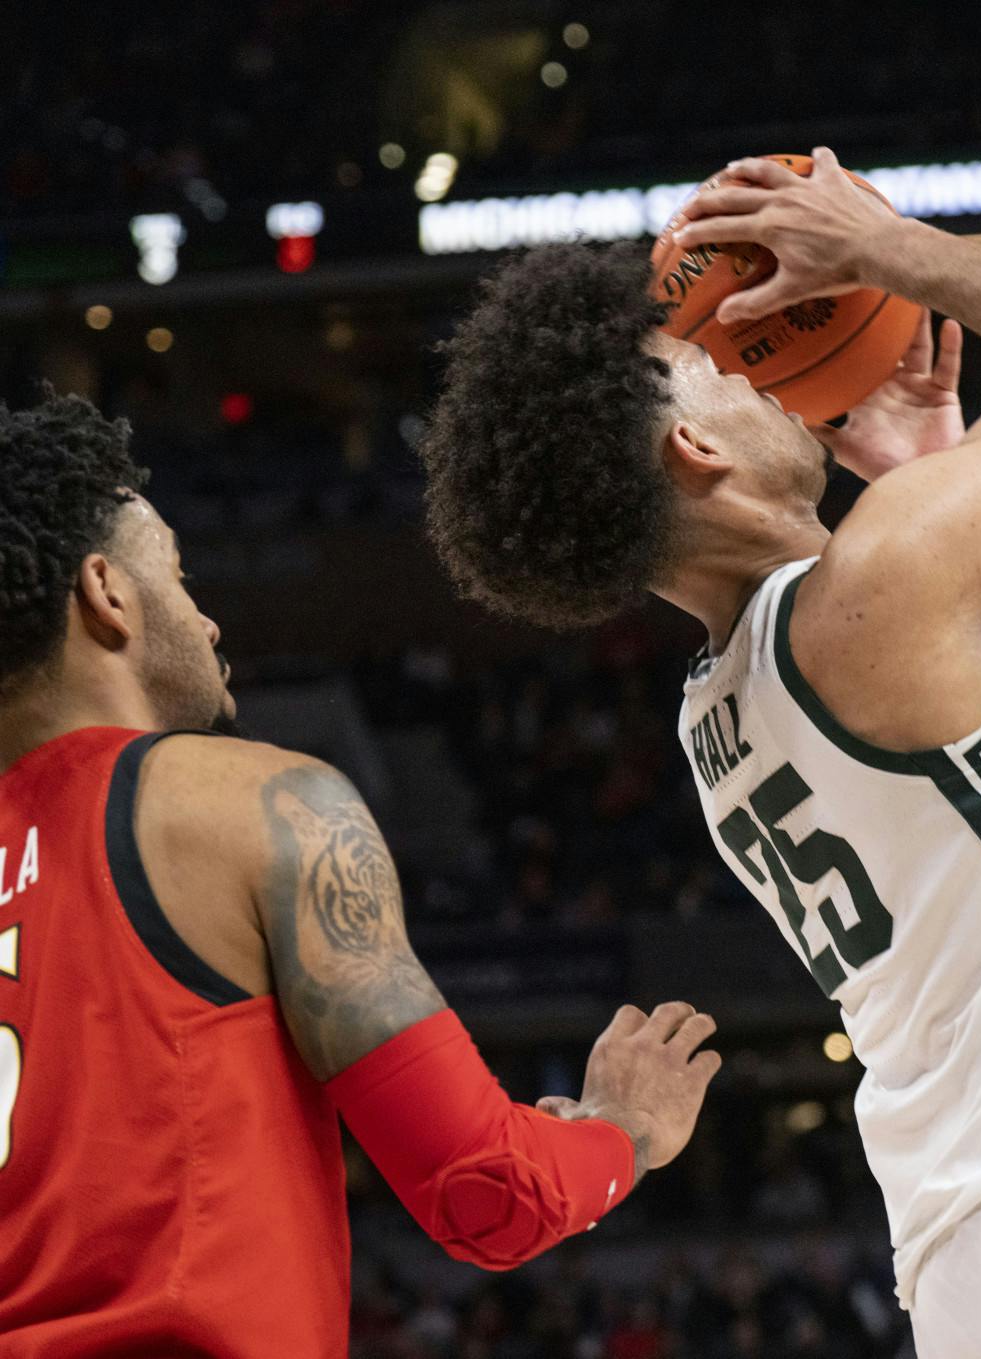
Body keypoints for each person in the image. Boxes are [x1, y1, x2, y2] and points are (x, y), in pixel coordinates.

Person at [416, 148, 981, 1356]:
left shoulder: (720, 707)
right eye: (716, 368)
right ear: (693, 453)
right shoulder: (873, 593)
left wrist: (922, 470)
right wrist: (883, 245)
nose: (758, 377)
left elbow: (973, 727)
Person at [0, 391, 721, 1357]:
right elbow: (486, 1194)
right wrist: (624, 1129)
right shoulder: (259, 805)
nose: (208, 620)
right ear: (107, 592)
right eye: (177, 574)